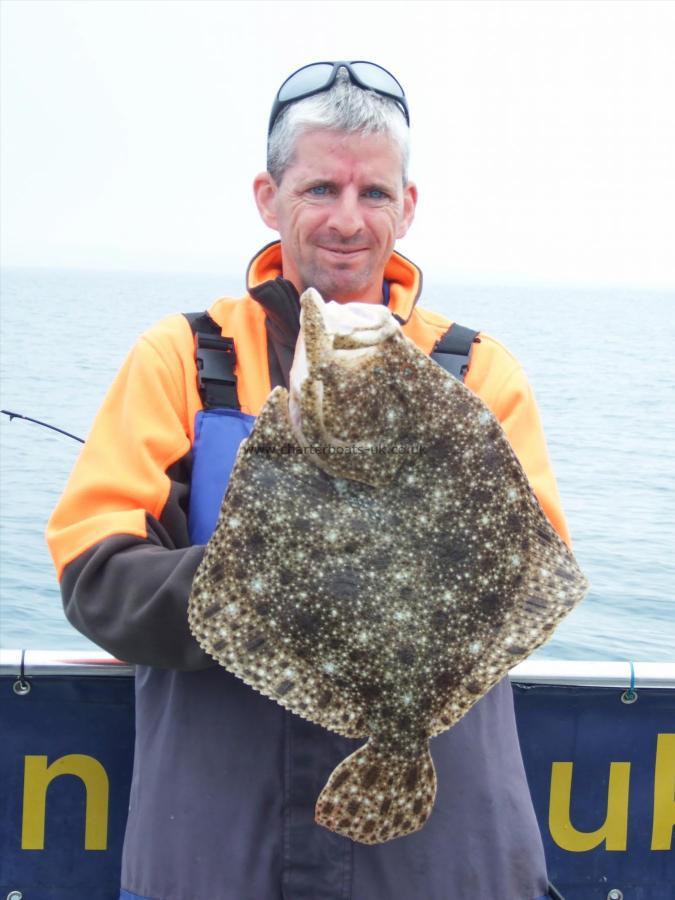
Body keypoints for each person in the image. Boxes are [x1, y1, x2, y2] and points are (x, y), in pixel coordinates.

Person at [47, 61, 571, 900]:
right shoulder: (184, 357)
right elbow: (94, 577)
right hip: (220, 853)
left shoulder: (478, 373)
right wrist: (283, 581)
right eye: (320, 187)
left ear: (407, 205)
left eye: (373, 193)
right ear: (268, 195)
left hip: (443, 864)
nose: (347, 220)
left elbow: (531, 582)